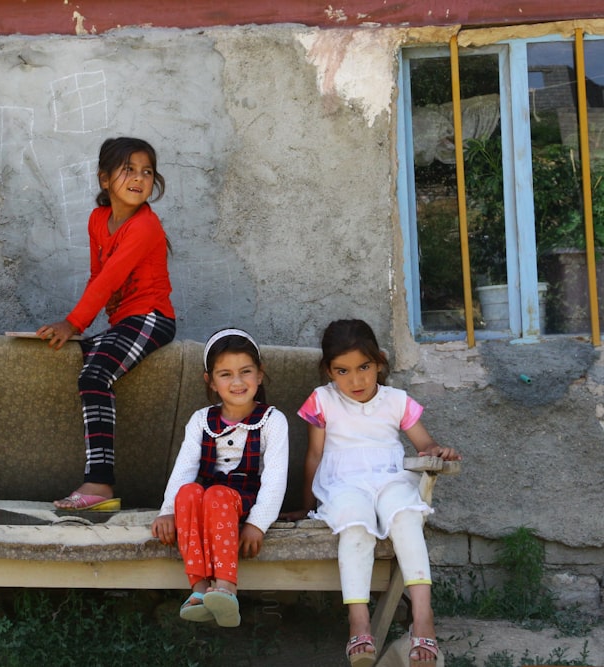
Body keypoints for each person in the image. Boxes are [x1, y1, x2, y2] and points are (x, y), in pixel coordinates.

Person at [292, 319, 461, 667]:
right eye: (343, 370)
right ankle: (359, 622)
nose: (355, 380)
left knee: (405, 517)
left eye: (364, 367)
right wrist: (305, 507)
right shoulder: (322, 400)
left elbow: (423, 443)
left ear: (379, 362)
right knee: (355, 525)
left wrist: (436, 450)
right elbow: (314, 455)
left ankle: (423, 619)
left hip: (390, 480)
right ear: (328, 370)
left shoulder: (396, 401)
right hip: (343, 484)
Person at [36, 137, 176, 511]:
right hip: (124, 323)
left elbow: (110, 278)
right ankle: (97, 481)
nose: (139, 178)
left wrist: (73, 322)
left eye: (147, 172)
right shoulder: (98, 220)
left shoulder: (144, 226)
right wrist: (78, 330)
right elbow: (98, 276)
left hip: (152, 318)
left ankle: (99, 483)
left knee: (94, 376)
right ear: (104, 179)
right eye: (128, 169)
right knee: (81, 359)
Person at [150, 328, 289, 628]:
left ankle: (226, 588)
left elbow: (276, 476)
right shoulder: (201, 420)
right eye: (225, 374)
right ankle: (199, 591)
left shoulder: (272, 421)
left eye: (245, 372)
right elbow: (184, 467)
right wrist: (167, 511)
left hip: (243, 500)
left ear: (260, 375)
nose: (237, 382)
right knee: (189, 492)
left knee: (216, 495)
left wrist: (257, 524)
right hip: (205, 498)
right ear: (210, 382)